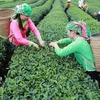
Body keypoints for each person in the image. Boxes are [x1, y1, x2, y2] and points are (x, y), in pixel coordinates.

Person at [49, 21, 100, 88]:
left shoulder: (77, 43)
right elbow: (68, 40)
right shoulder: (80, 38)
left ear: (73, 31)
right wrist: (58, 42)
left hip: (90, 70)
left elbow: (61, 52)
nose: (67, 33)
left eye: (67, 31)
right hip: (92, 68)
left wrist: (55, 45)